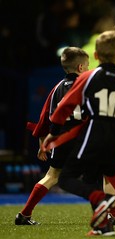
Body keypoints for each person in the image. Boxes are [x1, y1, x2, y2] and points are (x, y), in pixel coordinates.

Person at [42, 30, 115, 236]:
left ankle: (104, 200)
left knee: (67, 178)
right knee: (100, 173)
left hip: (94, 131)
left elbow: (64, 106)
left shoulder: (89, 77)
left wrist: (53, 132)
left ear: (97, 55)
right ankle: (104, 225)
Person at [15, 47, 89, 226]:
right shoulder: (88, 85)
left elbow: (45, 118)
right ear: (80, 67)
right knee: (105, 173)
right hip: (83, 136)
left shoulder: (56, 89)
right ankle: (108, 214)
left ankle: (24, 214)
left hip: (60, 137)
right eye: (86, 66)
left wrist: (42, 143)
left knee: (52, 175)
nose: (87, 69)